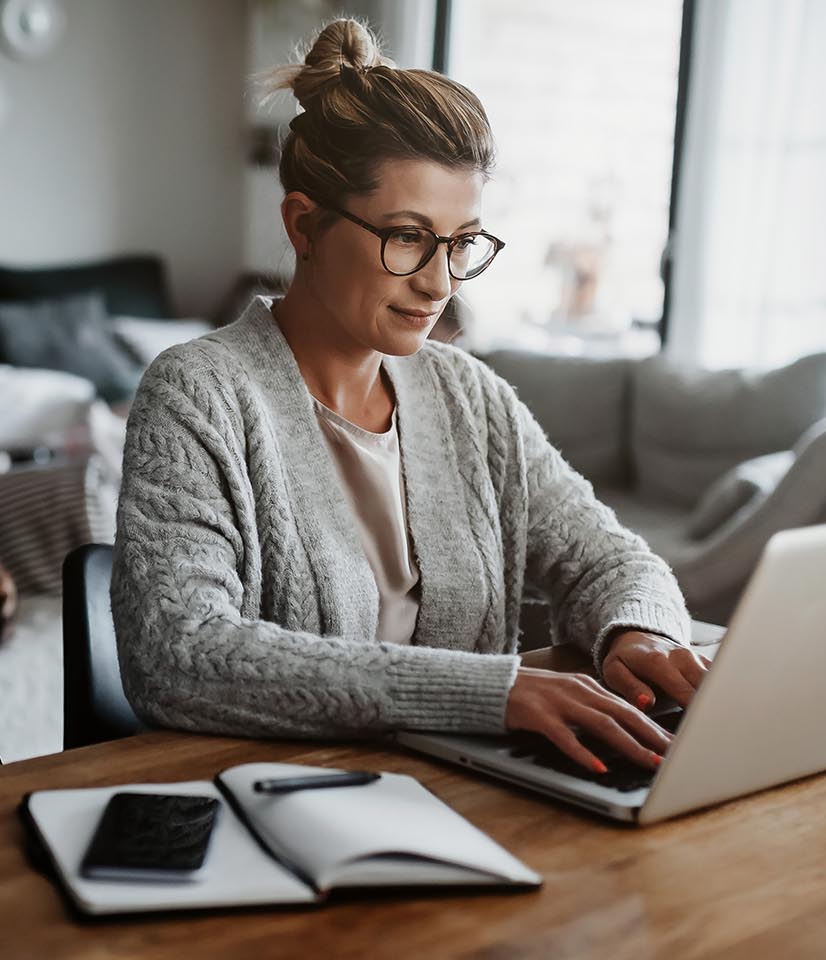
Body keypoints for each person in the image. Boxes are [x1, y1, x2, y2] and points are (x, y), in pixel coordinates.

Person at [110, 18, 710, 775]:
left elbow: (612, 561)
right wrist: (493, 693)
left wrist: (639, 633)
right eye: (407, 237)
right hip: (277, 805)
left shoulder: (469, 395)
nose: (439, 282)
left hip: (469, 794)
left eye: (462, 243)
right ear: (304, 224)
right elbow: (181, 654)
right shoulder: (199, 395)